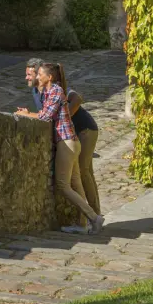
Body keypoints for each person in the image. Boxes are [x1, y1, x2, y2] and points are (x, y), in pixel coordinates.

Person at [16, 62, 104, 235]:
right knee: (76, 183)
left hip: (67, 141)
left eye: (39, 74)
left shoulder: (56, 91)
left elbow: (45, 117)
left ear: (49, 77)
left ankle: (94, 217)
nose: (36, 76)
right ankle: (83, 223)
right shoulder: (47, 92)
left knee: (63, 185)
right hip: (71, 141)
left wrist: (26, 115)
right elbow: (45, 114)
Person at [66, 82, 101, 216]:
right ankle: (96, 213)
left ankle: (95, 214)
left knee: (83, 171)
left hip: (86, 130)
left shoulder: (59, 89)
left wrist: (65, 117)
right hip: (83, 130)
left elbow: (78, 98)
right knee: (87, 172)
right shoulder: (38, 92)